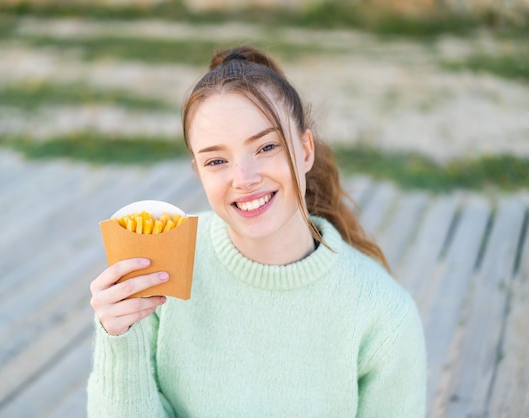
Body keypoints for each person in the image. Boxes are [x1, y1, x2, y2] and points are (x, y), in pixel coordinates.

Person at [88, 45, 426, 417]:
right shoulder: (162, 269)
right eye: (217, 160)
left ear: (306, 150)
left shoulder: (383, 314)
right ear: (198, 170)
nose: (244, 179)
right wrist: (118, 340)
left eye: (266, 147)